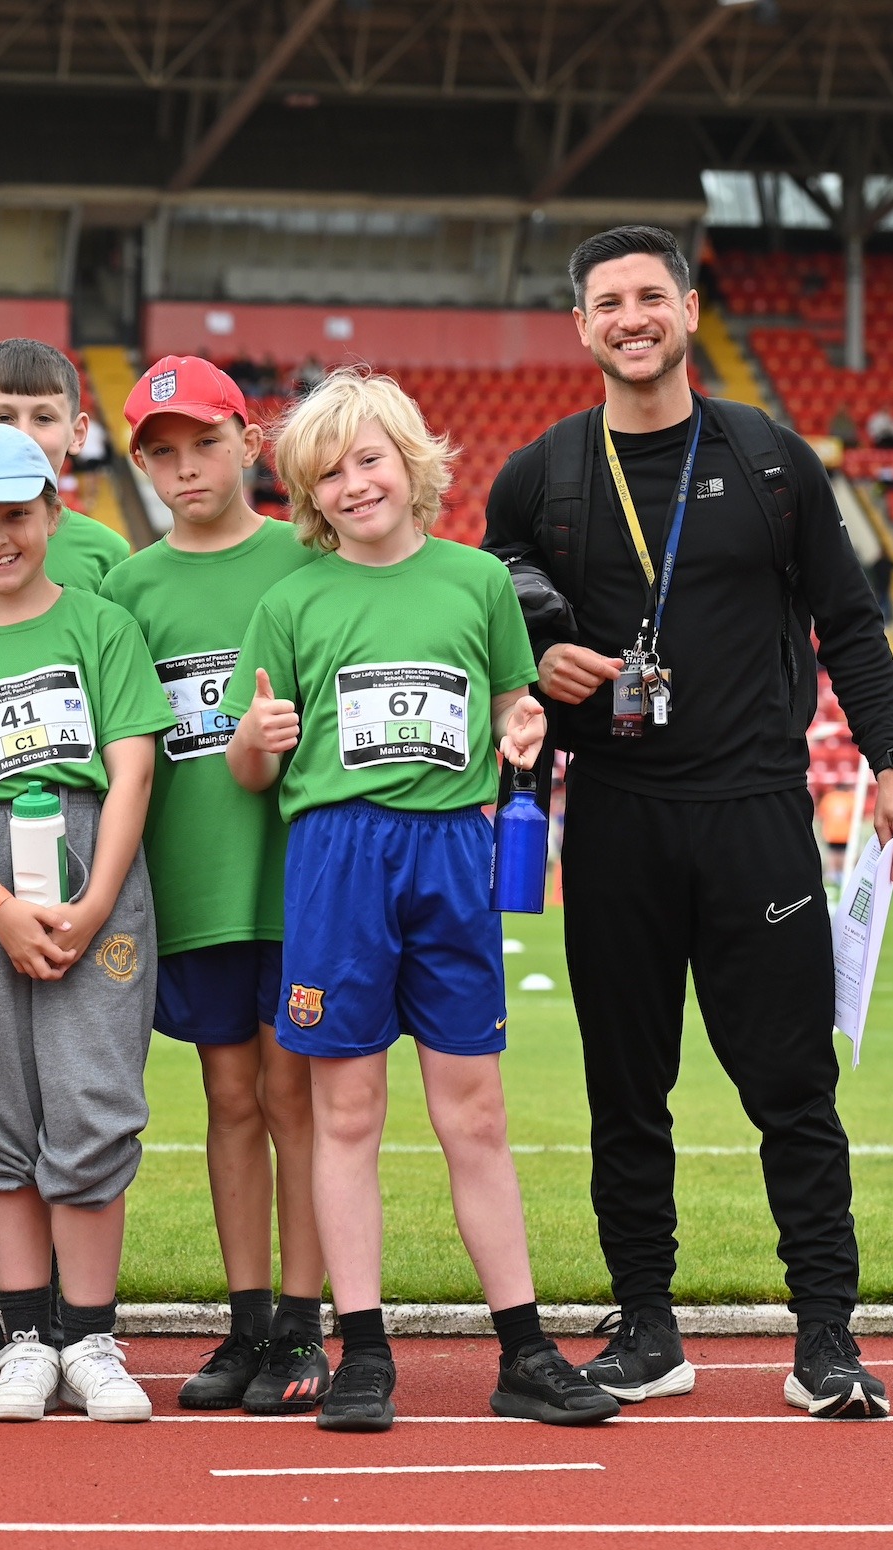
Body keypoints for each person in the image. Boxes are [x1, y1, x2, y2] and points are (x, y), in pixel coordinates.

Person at [481, 226, 893, 1421]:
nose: (630, 318)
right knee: (626, 1091)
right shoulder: (538, 475)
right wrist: (535, 655)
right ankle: (645, 1329)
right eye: (605, 302)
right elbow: (488, 616)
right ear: (580, 327)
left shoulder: (772, 458)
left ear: (686, 307)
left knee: (792, 1088)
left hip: (753, 816)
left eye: (649, 296)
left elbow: (847, 621)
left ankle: (825, 1339)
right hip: (617, 818)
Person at [222, 370, 616, 1434]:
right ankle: (362, 1350)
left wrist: (519, 726)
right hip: (338, 859)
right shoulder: (291, 600)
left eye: (368, 459)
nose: (353, 485)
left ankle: (525, 1349)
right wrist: (252, 750)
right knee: (345, 1112)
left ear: (410, 462)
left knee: (473, 1115)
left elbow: (507, 703)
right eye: (327, 472)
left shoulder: (475, 583)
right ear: (304, 494)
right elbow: (251, 766)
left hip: (450, 853)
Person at [0, 424, 173, 1424]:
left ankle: (89, 1335)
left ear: (53, 512)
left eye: (15, 514)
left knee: (92, 1103)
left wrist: (97, 895)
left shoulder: (99, 626)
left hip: (94, 865)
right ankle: (24, 1340)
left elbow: (135, 760)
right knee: (0, 1114)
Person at [100, 355, 327, 1414]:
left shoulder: (305, 559)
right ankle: (244, 1327)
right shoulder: (129, 588)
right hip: (188, 886)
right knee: (227, 1097)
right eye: (160, 454)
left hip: (294, 880)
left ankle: (303, 1323)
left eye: (203, 443)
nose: (184, 469)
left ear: (249, 440)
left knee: (296, 1096)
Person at [0, 339, 132, 593]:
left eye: (44, 418)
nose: (24, 435)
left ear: (77, 434)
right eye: (3, 418)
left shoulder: (107, 553)